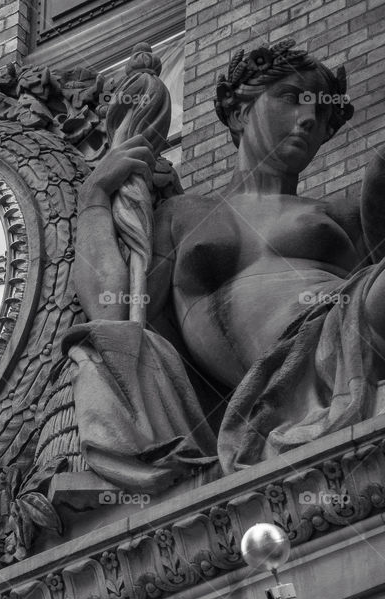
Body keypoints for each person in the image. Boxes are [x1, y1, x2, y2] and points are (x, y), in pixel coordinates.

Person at [71, 38, 385, 478]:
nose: (309, 119)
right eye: (291, 99)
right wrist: (94, 197)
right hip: (265, 384)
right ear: (239, 113)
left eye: (321, 113)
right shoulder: (180, 216)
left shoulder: (343, 214)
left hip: (349, 328)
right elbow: (112, 313)